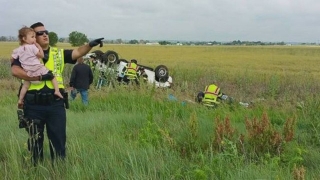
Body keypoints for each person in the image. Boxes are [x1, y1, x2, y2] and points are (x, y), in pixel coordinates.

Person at [11, 22, 104, 165]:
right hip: (33, 104)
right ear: (32, 37)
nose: (45, 35)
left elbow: (78, 52)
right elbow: (15, 71)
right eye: (40, 33)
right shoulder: (24, 51)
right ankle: (34, 170)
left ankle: (59, 170)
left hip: (55, 103)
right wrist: (39, 77)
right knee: (35, 140)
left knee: (58, 140)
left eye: (46, 32)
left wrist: (90, 45)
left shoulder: (58, 53)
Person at [12, 26, 63, 108]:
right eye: (32, 37)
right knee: (52, 76)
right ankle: (57, 91)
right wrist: (38, 46)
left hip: (28, 72)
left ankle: (20, 100)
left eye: (35, 37)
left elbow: (12, 58)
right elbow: (41, 55)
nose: (34, 39)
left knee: (25, 86)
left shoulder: (19, 49)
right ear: (24, 38)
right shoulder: (32, 47)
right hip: (37, 69)